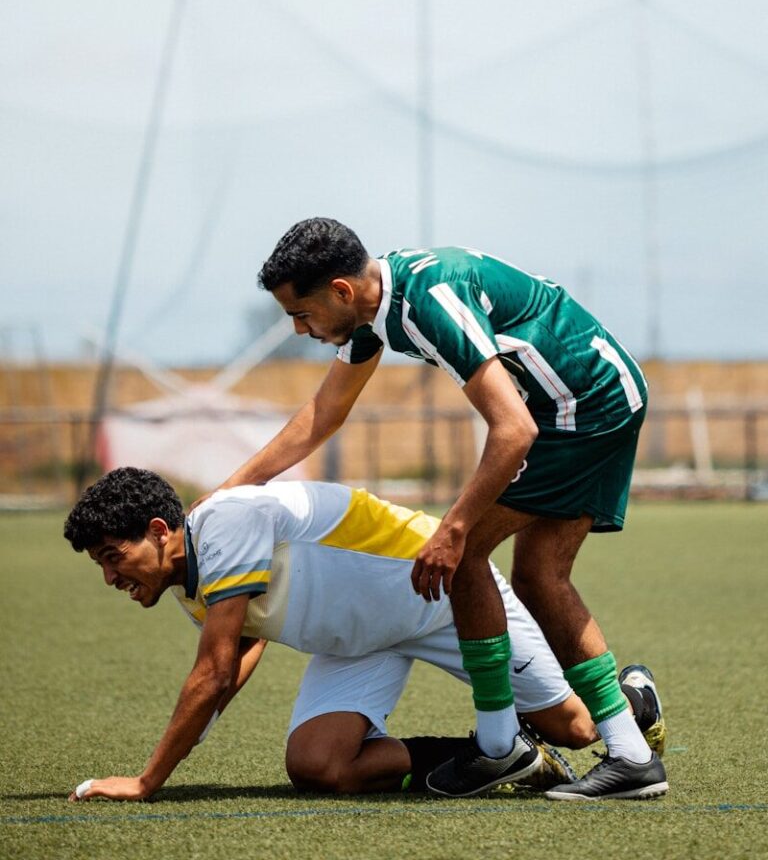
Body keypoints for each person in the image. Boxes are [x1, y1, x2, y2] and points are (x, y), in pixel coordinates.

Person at [210, 218, 667, 800]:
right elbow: (323, 415)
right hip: (589, 396)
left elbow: (514, 429)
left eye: (302, 314)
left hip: (580, 406)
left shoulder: (425, 304)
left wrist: (454, 528)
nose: (300, 329)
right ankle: (622, 744)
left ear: (342, 292)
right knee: (538, 577)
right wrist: (230, 492)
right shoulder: (378, 309)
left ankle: (506, 749)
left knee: (469, 552)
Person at [62, 467, 665, 802]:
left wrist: (148, 781)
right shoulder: (192, 581)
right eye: (101, 566)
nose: (112, 576)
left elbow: (213, 670)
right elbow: (239, 654)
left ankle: (634, 696)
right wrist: (197, 730)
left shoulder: (223, 526)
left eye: (115, 556)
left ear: (161, 530)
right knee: (317, 766)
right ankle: (511, 756)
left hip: (440, 596)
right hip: (357, 646)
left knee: (581, 729)